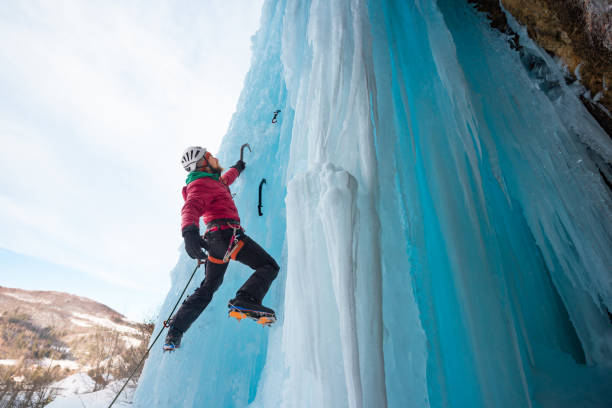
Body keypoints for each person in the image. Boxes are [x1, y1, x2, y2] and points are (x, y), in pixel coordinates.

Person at [163, 146, 279, 351]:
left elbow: (226, 180)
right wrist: (189, 233)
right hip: (228, 235)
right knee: (269, 265)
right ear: (201, 163)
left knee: (208, 287)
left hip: (215, 243)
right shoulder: (199, 183)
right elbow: (190, 207)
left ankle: (175, 331)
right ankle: (245, 299)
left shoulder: (214, 182)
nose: (214, 158)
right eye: (209, 157)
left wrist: (238, 168)